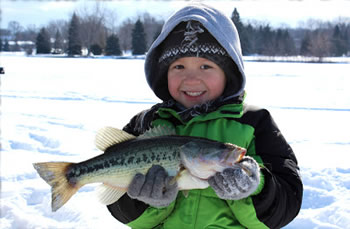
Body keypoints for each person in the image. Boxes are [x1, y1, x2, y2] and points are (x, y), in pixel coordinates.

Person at [106, 3, 303, 229]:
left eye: (205, 66)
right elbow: (120, 208)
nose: (191, 79)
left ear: (229, 73)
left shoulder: (254, 123)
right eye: (178, 66)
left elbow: (288, 203)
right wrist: (144, 201)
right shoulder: (145, 124)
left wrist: (254, 188)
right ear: (163, 73)